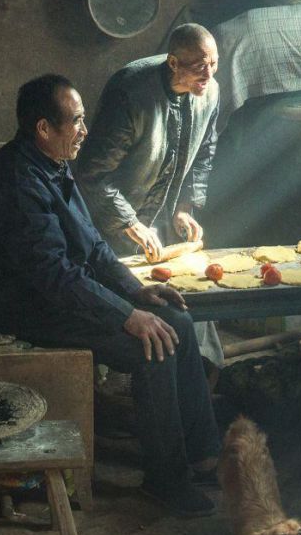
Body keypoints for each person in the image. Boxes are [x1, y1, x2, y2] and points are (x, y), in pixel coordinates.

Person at [0, 74, 220, 517]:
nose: (85, 131)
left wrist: (137, 291)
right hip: (27, 307)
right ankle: (165, 480)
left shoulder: (54, 163)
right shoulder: (16, 184)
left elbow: (94, 248)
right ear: (44, 128)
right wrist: (127, 315)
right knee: (150, 344)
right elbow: (56, 277)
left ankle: (202, 454)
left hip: (60, 291)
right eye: (77, 121)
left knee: (176, 319)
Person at [75, 23, 223, 364]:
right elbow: (91, 173)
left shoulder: (209, 90)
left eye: (214, 64)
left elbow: (205, 153)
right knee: (132, 313)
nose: (209, 74)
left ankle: (201, 375)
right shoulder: (131, 92)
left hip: (164, 222)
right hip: (111, 227)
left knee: (190, 300)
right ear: (173, 63)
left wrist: (185, 207)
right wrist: (128, 222)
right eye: (200, 65)